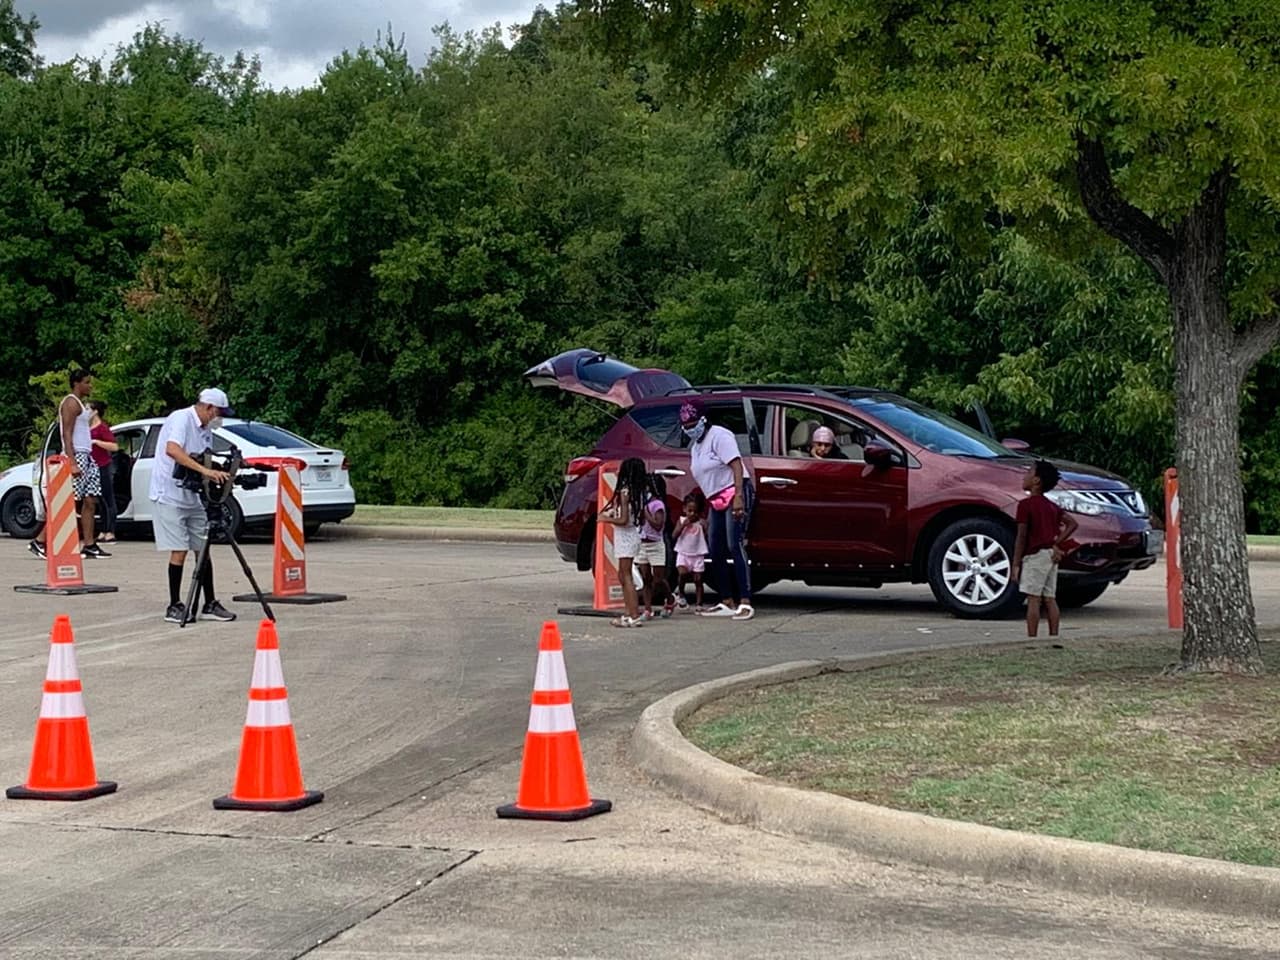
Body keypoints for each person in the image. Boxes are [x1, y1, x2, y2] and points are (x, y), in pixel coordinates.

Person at [149, 387, 238, 624]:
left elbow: (203, 456)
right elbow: (173, 449)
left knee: (203, 547)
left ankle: (209, 602)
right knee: (179, 549)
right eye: (218, 412)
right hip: (168, 493)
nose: (219, 418)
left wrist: (219, 470)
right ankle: (175, 604)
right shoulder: (181, 418)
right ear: (208, 407)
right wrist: (204, 471)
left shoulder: (206, 429)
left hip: (192, 495)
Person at [679, 397, 755, 620]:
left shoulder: (720, 436)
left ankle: (745, 600)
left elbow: (736, 465)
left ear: (703, 420)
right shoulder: (696, 447)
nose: (690, 430)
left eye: (693, 425)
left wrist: (739, 496)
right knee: (715, 548)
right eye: (686, 427)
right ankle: (726, 599)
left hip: (734, 492)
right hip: (715, 499)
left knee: (735, 544)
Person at [1011, 459, 1079, 638]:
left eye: (1029, 473)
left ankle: (1032, 638)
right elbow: (1072, 523)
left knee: (1033, 598)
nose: (1024, 476)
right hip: (1051, 555)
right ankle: (1053, 636)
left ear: (1036, 481)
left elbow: (1021, 537)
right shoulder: (1051, 506)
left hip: (1035, 556)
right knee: (1050, 598)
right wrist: (1056, 543)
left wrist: (1015, 563)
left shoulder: (1025, 505)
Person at [60, 370, 109, 558]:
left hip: (87, 454)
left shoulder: (81, 405)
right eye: (87, 382)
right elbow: (66, 432)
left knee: (90, 499)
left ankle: (89, 544)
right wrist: (72, 462)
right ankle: (41, 540)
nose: (90, 386)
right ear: (76, 383)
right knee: (71, 501)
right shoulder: (71, 402)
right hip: (77, 454)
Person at [599, 456, 650, 628]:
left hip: (625, 535)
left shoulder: (625, 491)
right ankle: (628, 612)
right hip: (632, 534)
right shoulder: (640, 493)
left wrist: (605, 519)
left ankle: (633, 614)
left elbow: (623, 520)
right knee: (623, 574)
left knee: (626, 575)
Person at [636, 492, 670, 619]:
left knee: (658, 579)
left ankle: (670, 599)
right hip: (643, 545)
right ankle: (647, 609)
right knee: (646, 579)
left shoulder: (657, 505)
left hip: (655, 545)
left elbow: (658, 525)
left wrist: (647, 514)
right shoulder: (640, 504)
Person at [673, 492, 708, 611]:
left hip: (697, 554)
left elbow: (708, 536)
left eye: (695, 511)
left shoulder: (701, 523)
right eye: (690, 511)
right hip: (683, 552)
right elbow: (674, 535)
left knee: (698, 580)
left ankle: (699, 604)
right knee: (682, 574)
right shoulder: (682, 520)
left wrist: (705, 527)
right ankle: (681, 592)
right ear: (684, 509)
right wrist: (683, 526)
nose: (692, 514)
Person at [88, 401, 119, 543]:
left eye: (88, 408)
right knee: (98, 500)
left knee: (108, 499)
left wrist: (97, 442)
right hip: (92, 467)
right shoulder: (87, 427)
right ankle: (102, 529)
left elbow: (114, 446)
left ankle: (110, 530)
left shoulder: (102, 428)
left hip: (103, 466)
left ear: (95, 411)